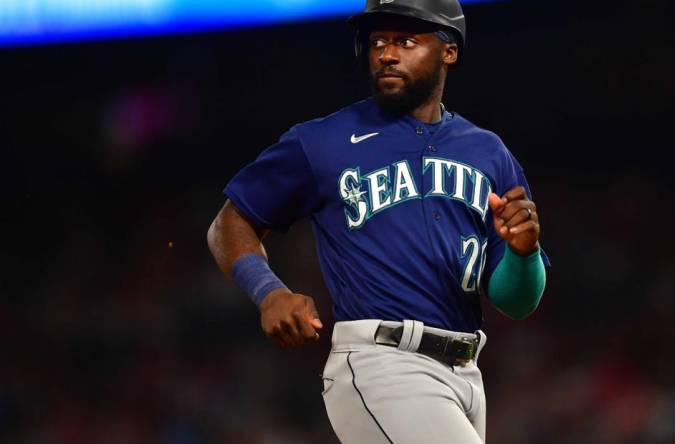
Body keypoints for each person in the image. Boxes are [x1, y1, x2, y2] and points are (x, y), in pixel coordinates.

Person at [207, 0, 550, 442]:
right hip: (383, 363)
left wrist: (524, 255)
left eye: (405, 40)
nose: (387, 53)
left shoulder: (487, 152)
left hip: (467, 373)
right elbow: (229, 223)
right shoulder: (322, 141)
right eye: (377, 41)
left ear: (449, 51)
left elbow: (516, 301)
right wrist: (268, 291)